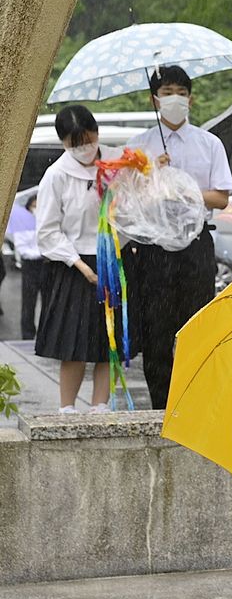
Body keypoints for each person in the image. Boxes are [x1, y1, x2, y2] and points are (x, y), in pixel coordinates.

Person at [126, 65, 232, 409]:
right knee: (156, 331)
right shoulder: (138, 147)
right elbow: (125, 202)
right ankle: (161, 406)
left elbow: (221, 197)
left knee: (197, 326)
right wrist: (153, 176)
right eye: (167, 92)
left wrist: (182, 188)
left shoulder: (209, 143)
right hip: (153, 247)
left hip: (196, 246)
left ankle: (195, 404)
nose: (175, 99)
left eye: (181, 93)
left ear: (191, 98)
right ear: (154, 98)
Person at [34, 105, 120, 413]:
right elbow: (47, 232)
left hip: (110, 258)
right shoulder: (56, 175)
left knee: (106, 340)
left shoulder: (113, 164)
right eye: (76, 142)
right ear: (64, 143)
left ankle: (101, 406)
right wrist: (81, 265)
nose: (86, 147)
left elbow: (130, 209)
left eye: (89, 138)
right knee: (73, 341)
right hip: (73, 264)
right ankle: (67, 408)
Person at [13, 194, 45, 339]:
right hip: (31, 265)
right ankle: (27, 334)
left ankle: (45, 334)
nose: (37, 209)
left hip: (46, 265)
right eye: (34, 206)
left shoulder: (47, 222)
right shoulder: (22, 224)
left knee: (48, 301)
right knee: (29, 302)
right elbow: (22, 248)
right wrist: (40, 252)